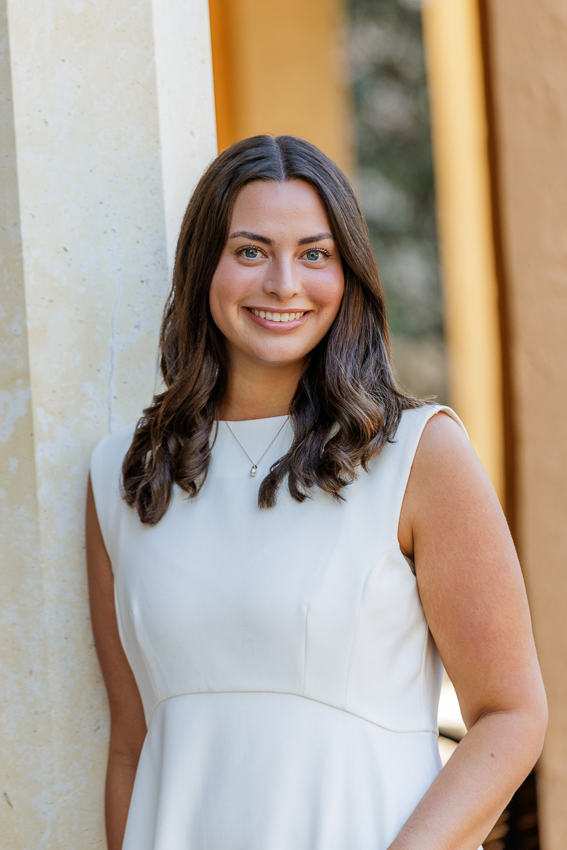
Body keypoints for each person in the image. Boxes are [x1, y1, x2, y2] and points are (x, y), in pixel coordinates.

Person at [86, 135, 547, 850]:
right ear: (203, 264)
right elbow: (131, 742)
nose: (282, 283)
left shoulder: (417, 454)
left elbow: (510, 713)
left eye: (313, 253)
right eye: (249, 251)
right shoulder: (123, 474)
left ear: (348, 272)